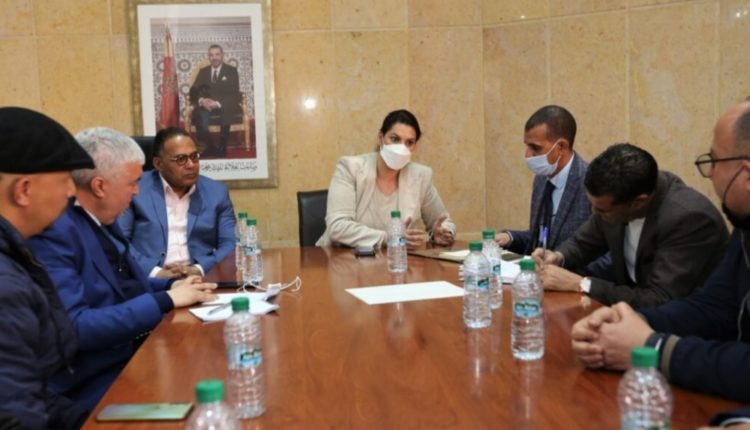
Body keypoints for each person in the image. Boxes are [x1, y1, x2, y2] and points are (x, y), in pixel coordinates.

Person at [570, 101, 750, 404]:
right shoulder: (745, 229)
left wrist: (652, 346)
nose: (710, 174)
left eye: (714, 161)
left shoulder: (689, 215)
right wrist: (628, 322)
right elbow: (713, 306)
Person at [28, 127, 217, 413]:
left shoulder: (102, 218)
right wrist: (165, 300)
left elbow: (125, 284)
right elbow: (77, 328)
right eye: (133, 182)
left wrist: (171, 286)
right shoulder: (55, 232)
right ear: (100, 186)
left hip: (133, 354)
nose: (138, 191)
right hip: (91, 381)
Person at [534, 143, 728, 308]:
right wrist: (558, 257)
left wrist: (581, 284)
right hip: (634, 314)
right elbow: (582, 243)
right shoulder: (617, 197)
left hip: (688, 327)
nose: (594, 213)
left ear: (638, 202)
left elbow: (660, 298)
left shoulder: (688, 219)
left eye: (601, 210)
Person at [0, 107, 95, 429]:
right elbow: (17, 419)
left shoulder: (16, 252)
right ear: (23, 190)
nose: (71, 192)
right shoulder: (5, 288)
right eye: (65, 180)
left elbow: (32, 392)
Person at [316, 109, 456, 249]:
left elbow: (444, 222)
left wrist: (441, 234)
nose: (401, 148)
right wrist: (388, 238)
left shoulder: (421, 176)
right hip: (340, 256)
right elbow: (337, 227)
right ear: (380, 138)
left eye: (409, 142)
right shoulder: (350, 168)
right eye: (395, 139)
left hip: (396, 259)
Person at [118, 127, 236, 278]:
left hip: (198, 278)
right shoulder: (135, 190)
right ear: (158, 164)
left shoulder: (217, 193)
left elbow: (230, 244)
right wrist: (156, 273)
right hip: (149, 280)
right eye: (181, 159)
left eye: (194, 157)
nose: (191, 165)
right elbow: (119, 242)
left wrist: (198, 269)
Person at [496, 105, 592, 255]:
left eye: (535, 148)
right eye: (527, 146)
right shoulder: (541, 180)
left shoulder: (591, 182)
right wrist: (509, 237)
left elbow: (606, 254)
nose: (528, 155)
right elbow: (542, 239)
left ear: (561, 147)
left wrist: (560, 263)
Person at [189, 44, 241, 157]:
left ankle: (222, 147)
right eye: (211, 55)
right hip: (206, 105)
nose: (214, 58)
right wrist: (202, 101)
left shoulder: (231, 71)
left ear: (222, 55)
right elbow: (193, 90)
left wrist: (217, 103)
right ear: (209, 57)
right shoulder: (203, 71)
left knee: (227, 109)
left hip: (223, 104)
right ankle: (210, 147)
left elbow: (234, 93)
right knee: (199, 114)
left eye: (217, 54)